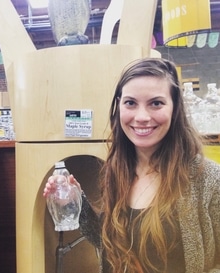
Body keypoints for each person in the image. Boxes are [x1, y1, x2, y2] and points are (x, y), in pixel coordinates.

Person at [43, 58, 220, 273]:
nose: (142, 117)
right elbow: (108, 242)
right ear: (118, 106)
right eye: (130, 103)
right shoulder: (117, 170)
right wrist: (75, 203)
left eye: (156, 103)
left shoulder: (208, 179)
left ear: (175, 109)